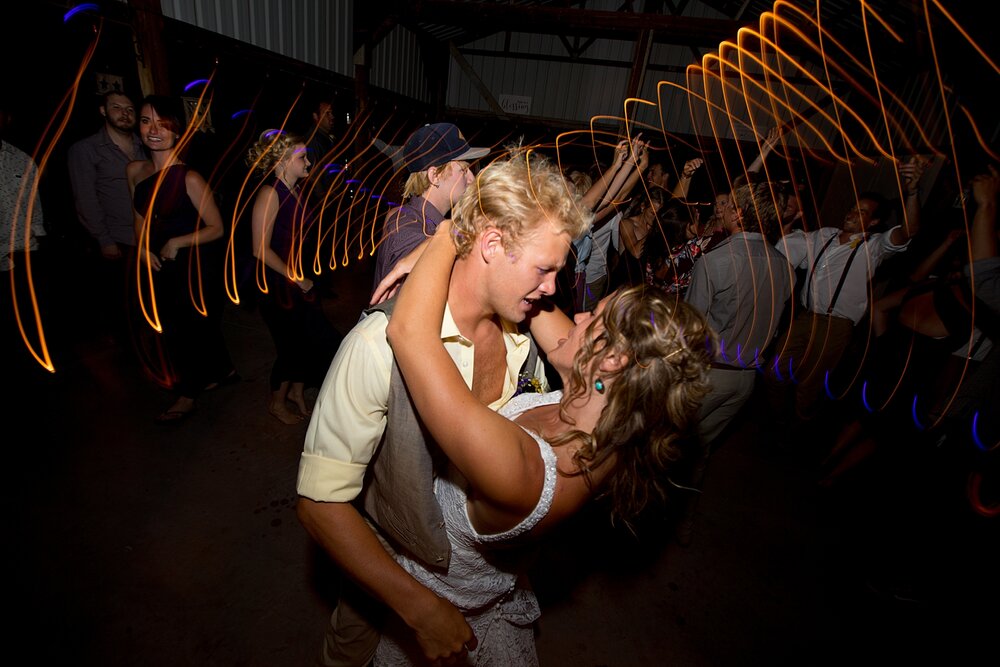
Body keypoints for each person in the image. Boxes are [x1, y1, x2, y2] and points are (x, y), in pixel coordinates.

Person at [372, 217, 714, 664]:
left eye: (597, 317)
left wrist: (447, 234)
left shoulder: (524, 471)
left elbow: (408, 334)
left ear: (611, 360)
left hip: (440, 599)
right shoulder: (604, 410)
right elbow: (536, 305)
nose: (581, 314)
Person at [296, 149, 590, 666]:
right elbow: (320, 505)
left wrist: (445, 237)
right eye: (545, 270)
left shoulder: (523, 337)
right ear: (493, 243)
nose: (552, 291)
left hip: (480, 581)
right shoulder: (376, 345)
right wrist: (417, 608)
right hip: (386, 568)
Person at [767, 156, 929, 424]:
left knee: (809, 386)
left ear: (874, 222)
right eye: (853, 208)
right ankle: (777, 420)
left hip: (836, 325)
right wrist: (784, 217)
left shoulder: (874, 247)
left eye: (862, 212)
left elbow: (909, 230)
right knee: (774, 372)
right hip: (806, 317)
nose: (852, 213)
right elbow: (782, 248)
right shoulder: (824, 235)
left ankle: (797, 430)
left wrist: (912, 192)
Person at [127, 95, 237, 423]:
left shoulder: (189, 177)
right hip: (157, 263)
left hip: (192, 267)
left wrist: (178, 241)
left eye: (163, 123)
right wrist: (143, 250)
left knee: (185, 330)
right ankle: (224, 371)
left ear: (177, 131)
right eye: (146, 121)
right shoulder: (135, 171)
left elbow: (217, 228)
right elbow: (139, 220)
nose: (154, 129)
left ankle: (187, 396)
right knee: (181, 326)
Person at [246, 130, 342, 424]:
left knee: (306, 341)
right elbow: (260, 249)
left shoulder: (294, 190)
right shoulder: (269, 193)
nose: (308, 162)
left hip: (298, 279)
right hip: (278, 284)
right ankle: (277, 402)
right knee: (291, 344)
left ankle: (298, 394)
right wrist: (297, 279)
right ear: (283, 161)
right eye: (302, 157)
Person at [370, 122, 488, 293]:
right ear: (435, 176)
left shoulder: (421, 219)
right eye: (464, 170)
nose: (472, 178)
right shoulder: (411, 231)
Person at [67, 90, 145, 259]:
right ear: (103, 111)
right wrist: (105, 240)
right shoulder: (86, 149)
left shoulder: (146, 146)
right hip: (117, 240)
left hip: (149, 238)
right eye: (116, 107)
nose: (125, 113)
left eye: (130, 109)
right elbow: (85, 199)